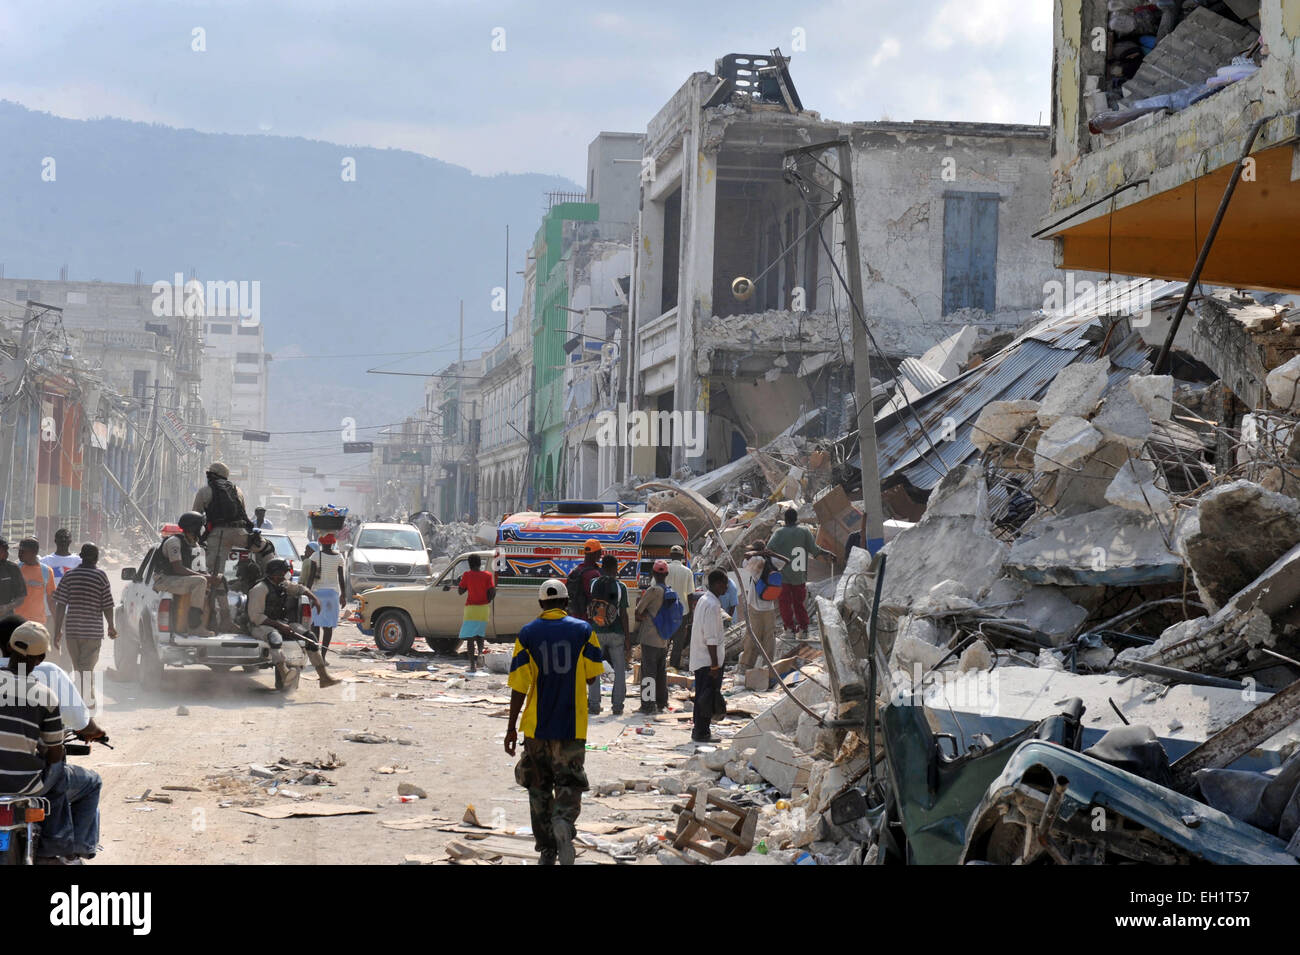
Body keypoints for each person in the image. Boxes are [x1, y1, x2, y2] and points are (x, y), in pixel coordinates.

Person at [504, 578, 604, 865]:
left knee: (538, 787)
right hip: (571, 727)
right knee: (569, 783)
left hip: (536, 728)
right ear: (565, 603)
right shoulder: (583, 631)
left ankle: (547, 848)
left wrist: (511, 728)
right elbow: (592, 676)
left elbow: (519, 686)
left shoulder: (527, 634)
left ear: (540, 604)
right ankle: (563, 822)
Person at [2, 621, 103, 862]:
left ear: (9, 648)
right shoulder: (45, 695)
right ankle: (66, 847)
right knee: (85, 780)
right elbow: (55, 752)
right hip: (25, 785)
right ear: (41, 658)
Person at [247, 558, 340, 690]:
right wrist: (280, 627)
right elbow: (255, 617)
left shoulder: (282, 584)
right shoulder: (259, 589)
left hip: (280, 622)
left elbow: (299, 589)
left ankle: (324, 677)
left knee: (311, 638)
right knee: (275, 639)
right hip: (261, 625)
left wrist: (315, 598)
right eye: (284, 572)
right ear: (275, 574)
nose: (286, 575)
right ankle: (284, 672)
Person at [49, 543, 116, 707]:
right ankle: (87, 700)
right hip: (92, 632)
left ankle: (83, 699)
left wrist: (57, 631)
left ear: (81, 556)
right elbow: (107, 604)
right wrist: (111, 626)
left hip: (72, 631)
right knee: (86, 666)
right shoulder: (100, 576)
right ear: (96, 557)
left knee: (79, 666)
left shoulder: (69, 576)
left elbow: (60, 605)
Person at [767, 507, 835, 638]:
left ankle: (789, 630)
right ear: (796, 518)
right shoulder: (804, 531)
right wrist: (827, 553)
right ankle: (803, 630)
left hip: (784, 577)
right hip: (799, 577)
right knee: (799, 604)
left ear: (785, 520)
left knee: (785, 604)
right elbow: (815, 550)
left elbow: (768, 550)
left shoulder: (779, 533)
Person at [154, 512, 219, 637]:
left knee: (218, 580)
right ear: (193, 527)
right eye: (200, 526)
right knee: (201, 581)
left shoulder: (194, 544)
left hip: (180, 580)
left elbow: (200, 569)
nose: (203, 529)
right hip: (165, 580)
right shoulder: (174, 542)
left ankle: (220, 621)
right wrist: (206, 577)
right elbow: (178, 568)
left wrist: (213, 577)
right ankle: (194, 626)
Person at [586, 554, 630, 716]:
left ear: (602, 567)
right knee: (619, 669)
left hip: (596, 631)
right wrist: (627, 639)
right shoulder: (621, 587)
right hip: (616, 632)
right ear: (615, 568)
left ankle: (594, 704)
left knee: (595, 668)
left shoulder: (593, 584)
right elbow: (623, 614)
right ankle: (617, 706)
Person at [192, 461, 252, 578]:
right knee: (265, 548)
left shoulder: (204, 491)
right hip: (240, 534)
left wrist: (197, 539)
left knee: (212, 571)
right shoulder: (237, 490)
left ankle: (214, 593)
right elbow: (243, 513)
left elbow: (195, 516)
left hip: (217, 535)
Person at [690, 570, 729, 744]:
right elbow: (711, 638)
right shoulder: (712, 604)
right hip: (708, 660)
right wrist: (714, 665)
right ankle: (702, 732)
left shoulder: (704, 600)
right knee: (706, 697)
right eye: (724, 583)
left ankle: (698, 729)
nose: (726, 587)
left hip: (701, 658)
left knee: (701, 695)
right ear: (716, 583)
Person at [738, 545, 781, 688]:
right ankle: (767, 666)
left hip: (755, 605)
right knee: (769, 638)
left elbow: (744, 559)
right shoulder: (773, 560)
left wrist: (757, 552)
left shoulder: (755, 560)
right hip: (769, 606)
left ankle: (745, 667)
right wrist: (770, 552)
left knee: (752, 637)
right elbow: (786, 561)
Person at [633, 560, 669, 715]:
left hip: (649, 638)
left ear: (653, 574)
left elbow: (638, 612)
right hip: (664, 639)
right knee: (661, 673)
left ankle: (648, 705)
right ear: (666, 574)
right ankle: (662, 703)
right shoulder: (669, 591)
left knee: (648, 673)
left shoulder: (653, 590)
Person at [303, 534, 345, 659]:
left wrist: (307, 593)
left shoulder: (316, 556)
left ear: (321, 543)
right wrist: (343, 595)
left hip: (317, 594)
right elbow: (341, 578)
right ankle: (323, 655)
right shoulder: (339, 557)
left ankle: (315, 654)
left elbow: (311, 577)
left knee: (315, 624)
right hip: (332, 595)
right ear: (333, 543)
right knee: (328, 627)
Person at [456, 554, 494, 671]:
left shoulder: (467, 575)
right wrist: (486, 600)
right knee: (480, 634)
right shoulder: (488, 575)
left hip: (471, 609)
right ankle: (480, 657)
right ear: (480, 563)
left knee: (470, 638)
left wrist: (460, 581)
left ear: (469, 563)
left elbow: (460, 591)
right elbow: (492, 592)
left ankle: (472, 665)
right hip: (483, 609)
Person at [665, 545, 694, 671]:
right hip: (682, 611)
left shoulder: (664, 569)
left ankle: (661, 665)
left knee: (664, 638)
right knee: (678, 641)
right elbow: (690, 594)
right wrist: (691, 613)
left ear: (670, 555)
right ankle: (673, 666)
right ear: (682, 556)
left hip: (665, 610)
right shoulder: (687, 571)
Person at [16, 538, 56, 627]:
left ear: (34, 552)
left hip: (37, 623)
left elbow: (51, 600)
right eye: (19, 551)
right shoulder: (15, 569)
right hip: (17, 622)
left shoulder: (47, 571)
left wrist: (57, 623)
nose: (19, 554)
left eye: (23, 551)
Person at [566, 539, 604, 621]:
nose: (601, 555)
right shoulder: (594, 574)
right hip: (587, 618)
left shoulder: (574, 570)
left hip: (573, 616)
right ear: (595, 553)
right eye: (600, 552)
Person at [0, 538, 28, 618]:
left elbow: (21, 597)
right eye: (3, 550)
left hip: (6, 619)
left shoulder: (12, 568)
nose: (6, 554)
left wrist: (7, 607)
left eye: (6, 550)